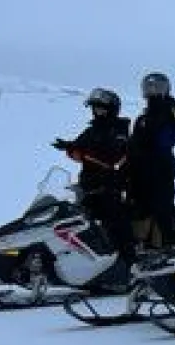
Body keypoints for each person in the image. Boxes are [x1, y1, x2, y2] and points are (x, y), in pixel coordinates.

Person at [52, 88, 136, 262]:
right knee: (78, 225)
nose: (97, 111)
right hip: (89, 187)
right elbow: (79, 148)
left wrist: (82, 154)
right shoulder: (93, 130)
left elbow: (111, 160)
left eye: (101, 108)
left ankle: (130, 265)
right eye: (95, 108)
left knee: (117, 225)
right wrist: (69, 146)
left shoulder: (119, 131)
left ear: (112, 109)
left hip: (110, 187)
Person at [123, 72, 175, 249]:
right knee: (137, 213)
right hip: (138, 174)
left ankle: (168, 250)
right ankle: (139, 252)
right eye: (149, 87)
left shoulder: (170, 111)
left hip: (161, 172)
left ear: (166, 89)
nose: (153, 90)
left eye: (157, 87)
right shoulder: (142, 118)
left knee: (163, 213)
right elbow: (132, 146)